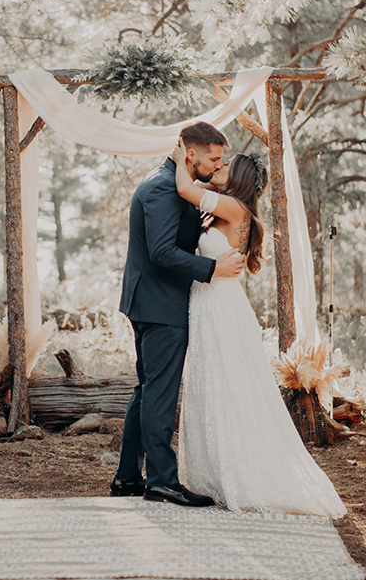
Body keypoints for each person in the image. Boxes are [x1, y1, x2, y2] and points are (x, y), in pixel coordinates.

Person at [171, 140, 346, 517]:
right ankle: (215, 472)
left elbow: (185, 188)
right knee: (211, 384)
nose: (220, 166)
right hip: (211, 302)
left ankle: (241, 472)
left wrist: (179, 156)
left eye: (226, 163)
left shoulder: (233, 207)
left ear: (240, 178)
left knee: (228, 387)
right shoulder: (230, 207)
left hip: (220, 305)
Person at [113, 122, 245, 507]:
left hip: (152, 302)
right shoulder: (161, 188)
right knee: (160, 395)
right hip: (160, 305)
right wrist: (211, 269)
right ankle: (162, 482)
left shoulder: (172, 181)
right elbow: (161, 253)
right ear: (191, 155)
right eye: (214, 159)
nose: (218, 165)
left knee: (147, 391)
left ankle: (126, 478)